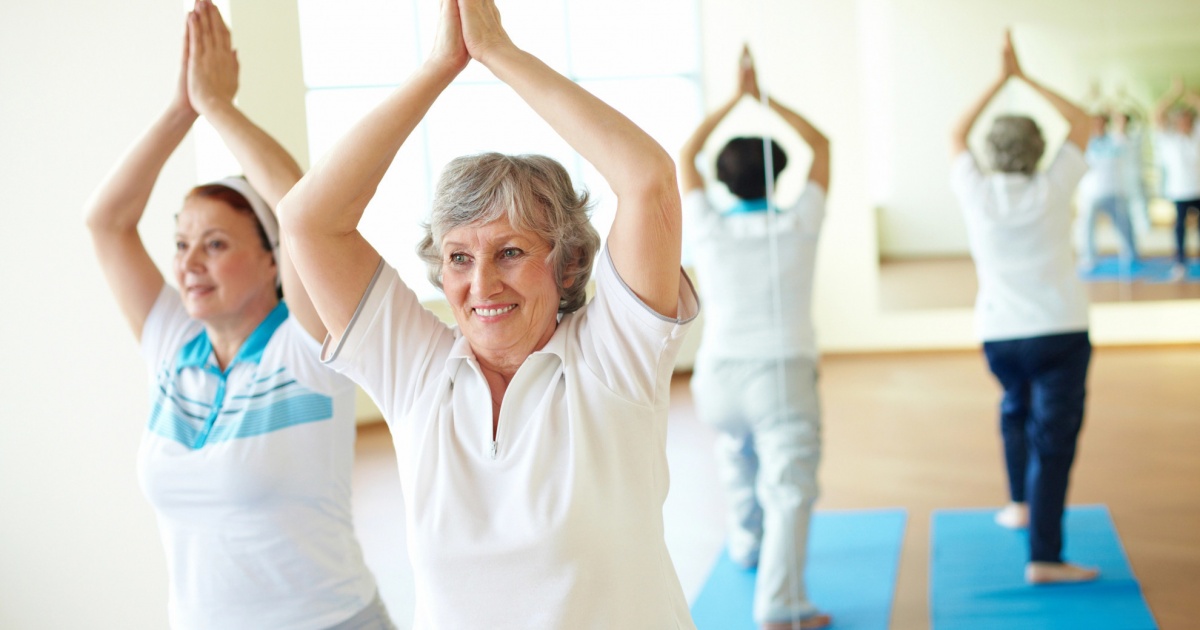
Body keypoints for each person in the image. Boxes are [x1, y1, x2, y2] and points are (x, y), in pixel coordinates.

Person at [277, 0, 699, 627]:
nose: (481, 284)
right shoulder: (416, 371)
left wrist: (499, 52)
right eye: (458, 257)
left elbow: (648, 179)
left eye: (510, 252)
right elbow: (306, 219)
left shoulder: (614, 356)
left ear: (567, 265)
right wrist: (437, 67)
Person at [84, 2, 390, 627]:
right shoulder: (173, 343)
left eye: (216, 244)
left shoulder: (307, 344)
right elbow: (106, 222)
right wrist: (181, 108)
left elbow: (303, 207)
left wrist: (218, 107)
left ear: (275, 256)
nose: (189, 263)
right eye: (181, 243)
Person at [679, 46, 831, 630]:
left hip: (717, 377)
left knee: (736, 453)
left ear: (722, 179)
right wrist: (764, 98)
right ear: (780, 174)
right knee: (789, 488)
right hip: (781, 375)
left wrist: (735, 99)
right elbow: (823, 147)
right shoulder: (799, 222)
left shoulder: (708, 227)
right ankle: (780, 604)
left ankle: (746, 544)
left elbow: (687, 153)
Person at [948, 30, 1099, 585]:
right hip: (1060, 331)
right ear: (1039, 149)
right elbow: (1082, 121)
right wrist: (1025, 78)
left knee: (1015, 409)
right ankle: (1045, 557)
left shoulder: (976, 192)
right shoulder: (1054, 186)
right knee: (1052, 443)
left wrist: (1000, 80)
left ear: (991, 152)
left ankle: (1019, 504)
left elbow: (955, 133)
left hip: (999, 335)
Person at [1077, 111, 1139, 271]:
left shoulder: (1115, 139)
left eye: (1101, 122)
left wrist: (1114, 110)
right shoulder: (1085, 141)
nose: (1098, 125)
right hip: (1090, 193)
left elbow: (1123, 125)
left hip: (1113, 190)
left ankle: (1131, 255)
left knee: (1124, 226)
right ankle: (1088, 257)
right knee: (1086, 228)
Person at [1152, 77, 1200, 279]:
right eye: (1180, 118)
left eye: (1187, 118)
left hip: (1198, 190)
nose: (1183, 122)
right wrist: (1174, 94)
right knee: (1180, 230)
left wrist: (1188, 94)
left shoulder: (1197, 135)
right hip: (1179, 191)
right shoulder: (1168, 138)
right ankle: (1180, 263)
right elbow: (1157, 114)